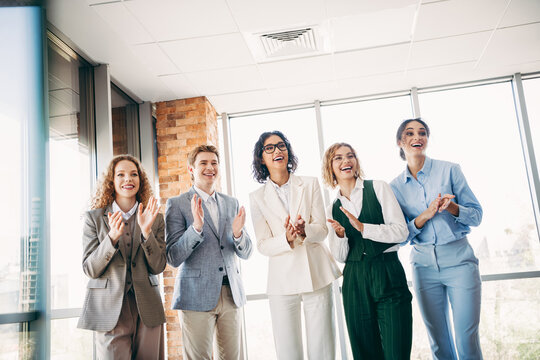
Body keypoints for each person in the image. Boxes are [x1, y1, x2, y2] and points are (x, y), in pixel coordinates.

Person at [390, 118, 483, 360]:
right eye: (409, 133)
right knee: (439, 344)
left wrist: (453, 208)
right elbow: (398, 238)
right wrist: (423, 217)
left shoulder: (450, 170)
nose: (417, 137)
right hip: (424, 267)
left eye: (422, 133)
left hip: (460, 262)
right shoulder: (394, 188)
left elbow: (476, 216)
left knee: (466, 339)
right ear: (400, 142)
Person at [249, 131, 341, 360]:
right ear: (261, 158)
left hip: (316, 274)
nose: (277, 151)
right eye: (269, 148)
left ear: (288, 151)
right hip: (282, 282)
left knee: (323, 347)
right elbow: (262, 244)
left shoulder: (309, 184)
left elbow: (321, 229)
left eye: (281, 146)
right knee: (288, 351)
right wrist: (287, 239)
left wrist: (303, 231)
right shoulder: (256, 197)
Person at [322, 142, 412, 359]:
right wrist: (341, 236)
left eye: (350, 155)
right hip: (355, 280)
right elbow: (341, 256)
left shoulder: (378, 187)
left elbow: (401, 232)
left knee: (397, 350)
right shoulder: (331, 208)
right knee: (364, 353)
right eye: (338, 158)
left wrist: (364, 228)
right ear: (330, 168)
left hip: (388, 271)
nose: (346, 161)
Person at [165, 144, 252, 360]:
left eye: (214, 163)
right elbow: (173, 257)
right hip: (195, 295)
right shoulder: (176, 205)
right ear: (191, 169)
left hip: (231, 294)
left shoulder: (232, 203)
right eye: (203, 163)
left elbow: (247, 252)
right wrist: (195, 228)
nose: (209, 167)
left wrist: (238, 234)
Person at [78, 155, 166, 360]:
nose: (128, 179)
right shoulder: (95, 218)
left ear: (140, 180)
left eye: (134, 174)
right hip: (109, 311)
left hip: (148, 311)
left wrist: (147, 234)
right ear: (112, 181)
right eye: (121, 175)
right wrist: (111, 239)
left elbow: (159, 265)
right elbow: (90, 268)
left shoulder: (156, 218)